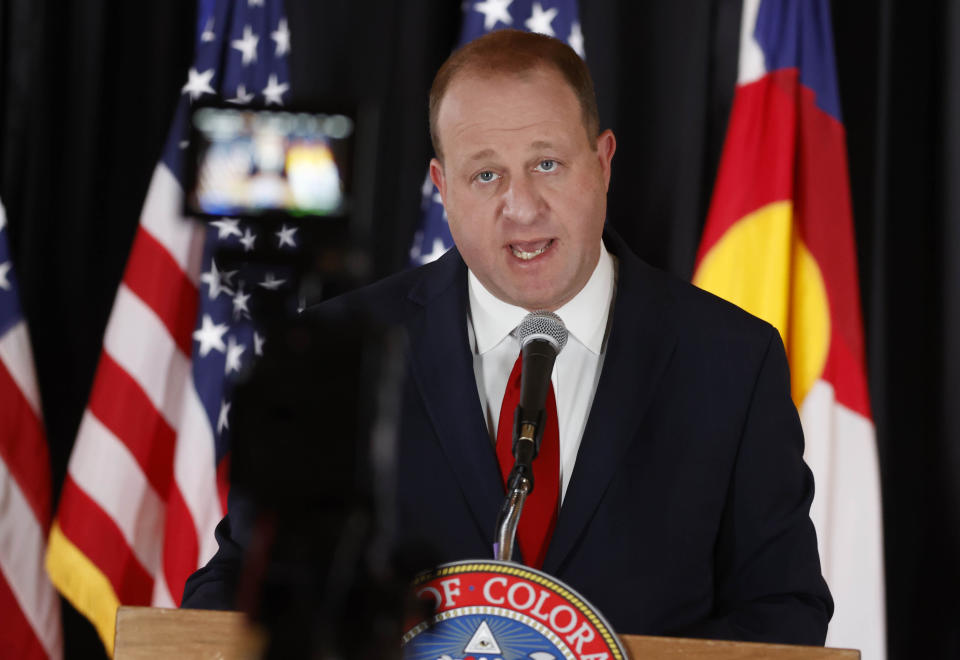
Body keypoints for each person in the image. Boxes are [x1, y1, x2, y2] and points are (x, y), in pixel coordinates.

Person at [183, 29, 833, 644]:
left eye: (547, 163)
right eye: (486, 175)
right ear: (442, 188)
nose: (521, 207)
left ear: (602, 162)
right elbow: (242, 583)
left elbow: (784, 611)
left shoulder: (731, 362)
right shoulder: (336, 351)